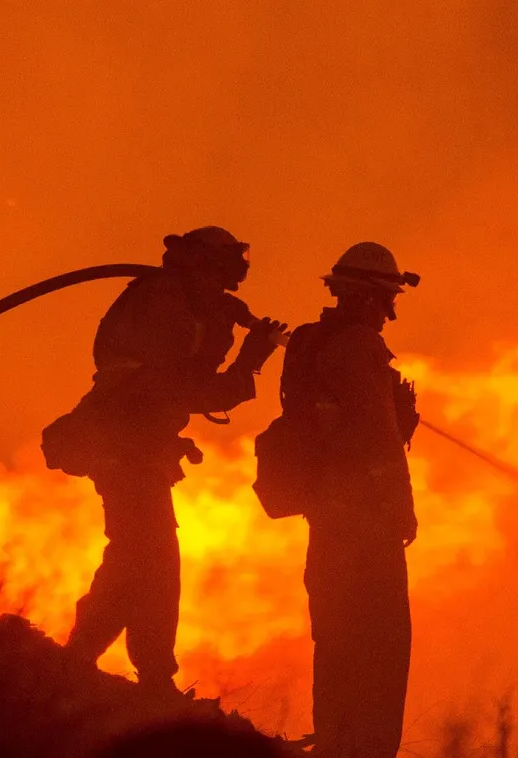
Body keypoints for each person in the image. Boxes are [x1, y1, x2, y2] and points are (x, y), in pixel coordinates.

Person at [43, 226, 284, 695]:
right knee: (150, 558)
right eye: (220, 272)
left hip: (139, 448)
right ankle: (143, 673)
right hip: (121, 444)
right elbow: (177, 385)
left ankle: (86, 655)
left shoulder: (186, 304)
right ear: (203, 265)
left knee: (138, 558)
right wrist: (247, 363)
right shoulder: (162, 301)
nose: (226, 284)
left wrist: (228, 332)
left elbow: (183, 379)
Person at [276, 242, 420, 758]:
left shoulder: (310, 342)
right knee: (381, 644)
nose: (388, 314)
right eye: (386, 301)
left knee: (334, 640)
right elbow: (375, 440)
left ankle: (335, 743)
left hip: (325, 515)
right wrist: (402, 506)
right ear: (367, 299)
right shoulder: (360, 346)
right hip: (367, 522)